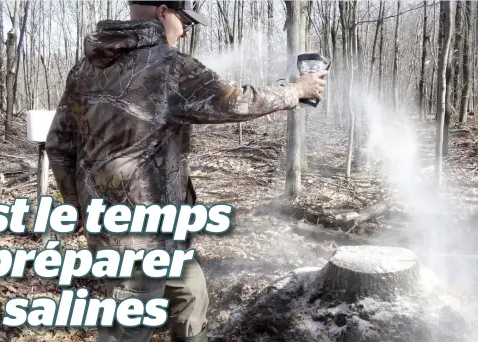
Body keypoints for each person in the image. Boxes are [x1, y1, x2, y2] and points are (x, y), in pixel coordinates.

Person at [45, 1, 328, 341]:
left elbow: (59, 145)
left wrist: (75, 204)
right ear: (163, 12)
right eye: (185, 21)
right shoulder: (167, 67)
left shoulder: (83, 69)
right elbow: (237, 101)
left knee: (190, 296)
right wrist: (296, 90)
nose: (186, 29)